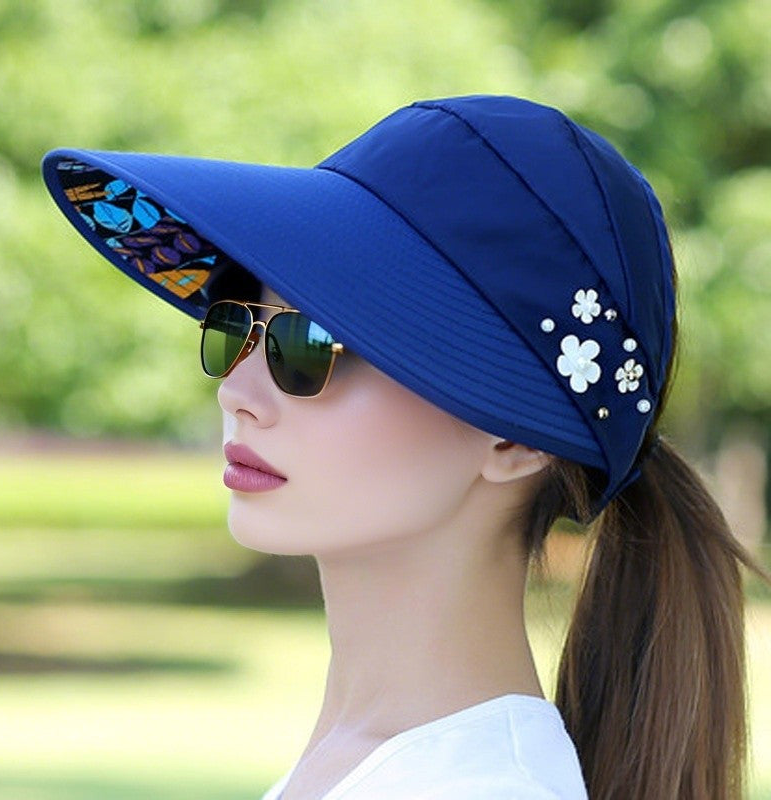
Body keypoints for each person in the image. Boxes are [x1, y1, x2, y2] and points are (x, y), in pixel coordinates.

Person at [42, 94, 771, 799]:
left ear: (515, 439)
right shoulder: (376, 767)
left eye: (312, 342)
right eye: (235, 327)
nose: (237, 391)